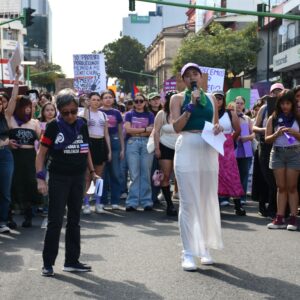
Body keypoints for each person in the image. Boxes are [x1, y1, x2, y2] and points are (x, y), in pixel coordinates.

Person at [36, 88, 97, 277]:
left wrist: (92, 172)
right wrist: (40, 179)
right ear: (58, 111)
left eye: (73, 111)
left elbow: (85, 149)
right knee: (55, 221)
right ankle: (48, 264)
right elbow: (41, 155)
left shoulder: (82, 124)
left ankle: (71, 261)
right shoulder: (54, 127)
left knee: (75, 220)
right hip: (59, 178)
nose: (70, 116)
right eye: (65, 113)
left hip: (78, 177)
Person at [170, 63, 223, 271]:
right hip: (187, 147)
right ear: (183, 80)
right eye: (188, 75)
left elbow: (215, 123)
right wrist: (190, 106)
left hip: (208, 150)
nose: (192, 77)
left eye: (195, 73)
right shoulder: (176, 98)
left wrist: (218, 128)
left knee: (206, 198)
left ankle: (204, 248)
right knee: (188, 201)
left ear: (201, 77)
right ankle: (188, 252)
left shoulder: (211, 98)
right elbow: (176, 127)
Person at [6, 71, 41, 228]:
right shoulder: (11, 119)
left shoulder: (34, 123)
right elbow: (12, 100)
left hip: (29, 157)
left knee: (29, 184)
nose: (28, 110)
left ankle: (28, 216)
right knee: (13, 185)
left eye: (30, 107)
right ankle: (9, 217)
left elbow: (41, 141)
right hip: (14, 156)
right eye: (25, 107)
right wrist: (16, 83)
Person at [265, 89, 300, 230]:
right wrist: (276, 134)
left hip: (295, 153)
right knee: (281, 187)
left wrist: (295, 133)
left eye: (288, 103)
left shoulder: (298, 117)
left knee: (292, 187)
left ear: (293, 104)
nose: (285, 106)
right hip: (277, 153)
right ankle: (279, 218)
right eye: (282, 103)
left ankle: (293, 218)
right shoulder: (272, 118)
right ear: (278, 104)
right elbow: (267, 139)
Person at [253, 82, 284, 218]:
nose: (276, 94)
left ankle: (277, 208)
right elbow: (254, 127)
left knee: (278, 181)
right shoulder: (264, 108)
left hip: (281, 147)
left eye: (280, 91)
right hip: (265, 146)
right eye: (274, 92)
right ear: (270, 93)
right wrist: (267, 130)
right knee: (267, 178)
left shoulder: (287, 109)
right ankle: (265, 206)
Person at [213, 91, 245, 215]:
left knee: (231, 174)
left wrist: (229, 140)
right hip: (212, 146)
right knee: (214, 175)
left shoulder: (230, 112)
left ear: (224, 100)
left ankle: (238, 205)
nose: (218, 100)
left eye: (220, 98)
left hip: (227, 148)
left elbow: (238, 130)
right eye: (216, 98)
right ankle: (214, 207)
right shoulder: (209, 112)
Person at [80, 92, 111, 214]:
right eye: (93, 99)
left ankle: (98, 203)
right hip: (89, 144)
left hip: (101, 143)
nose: (96, 102)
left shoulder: (103, 115)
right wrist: (86, 108)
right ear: (89, 101)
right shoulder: (84, 113)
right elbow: (84, 125)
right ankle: (86, 202)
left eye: (98, 99)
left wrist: (108, 150)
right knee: (87, 176)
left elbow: (106, 134)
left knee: (99, 177)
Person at [124, 93, 154, 211]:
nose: (138, 103)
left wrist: (137, 131)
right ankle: (132, 202)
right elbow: (128, 130)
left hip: (146, 143)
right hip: (132, 143)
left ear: (145, 102)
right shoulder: (129, 114)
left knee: (146, 173)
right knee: (134, 173)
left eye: (141, 101)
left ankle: (146, 201)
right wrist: (145, 129)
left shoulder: (150, 114)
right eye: (136, 101)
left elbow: (151, 131)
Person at [0, 71, 20, 233]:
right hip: (5, 147)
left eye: (0, 102)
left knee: (5, 191)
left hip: (5, 156)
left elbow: (14, 99)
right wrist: (6, 141)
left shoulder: (6, 116)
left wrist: (16, 80)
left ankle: (2, 221)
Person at [153, 90, 178, 216]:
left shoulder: (183, 113)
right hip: (165, 147)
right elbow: (156, 131)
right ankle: (169, 204)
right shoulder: (161, 114)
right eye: (170, 99)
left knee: (181, 176)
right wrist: (157, 148)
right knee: (166, 176)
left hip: (181, 147)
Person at [100, 90, 124, 209]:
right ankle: (102, 201)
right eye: (105, 97)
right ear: (101, 99)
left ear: (114, 99)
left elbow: (121, 132)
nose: (108, 99)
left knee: (115, 173)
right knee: (102, 174)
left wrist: (122, 149)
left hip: (115, 142)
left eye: (110, 97)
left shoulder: (117, 113)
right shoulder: (98, 112)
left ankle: (115, 201)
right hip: (100, 143)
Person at [234, 96, 255, 206]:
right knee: (231, 174)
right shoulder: (229, 116)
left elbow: (253, 133)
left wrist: (246, 138)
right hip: (232, 150)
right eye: (237, 103)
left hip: (246, 151)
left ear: (244, 105)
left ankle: (242, 197)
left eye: (241, 103)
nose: (239, 105)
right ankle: (226, 197)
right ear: (234, 103)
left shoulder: (247, 119)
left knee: (244, 174)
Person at [148, 92, 163, 205]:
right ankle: (151, 196)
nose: (155, 101)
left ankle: (157, 194)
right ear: (149, 101)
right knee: (152, 171)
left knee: (161, 172)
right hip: (151, 145)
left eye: (157, 99)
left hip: (164, 143)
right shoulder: (147, 113)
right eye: (153, 99)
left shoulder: (164, 112)